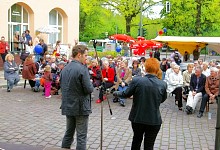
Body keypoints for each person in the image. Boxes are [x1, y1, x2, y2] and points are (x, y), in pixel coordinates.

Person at [113, 58, 167, 150]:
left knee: (136, 140)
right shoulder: (162, 84)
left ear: (145, 68)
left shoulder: (137, 80)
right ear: (157, 69)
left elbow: (125, 94)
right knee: (149, 145)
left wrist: (114, 93)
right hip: (154, 119)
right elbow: (162, 99)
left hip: (138, 117)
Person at [60, 45, 94, 150]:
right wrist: (91, 84)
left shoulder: (65, 68)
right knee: (81, 136)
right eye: (85, 55)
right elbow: (88, 89)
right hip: (80, 107)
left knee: (69, 132)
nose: (86, 58)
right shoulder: (82, 69)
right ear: (79, 55)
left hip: (68, 105)